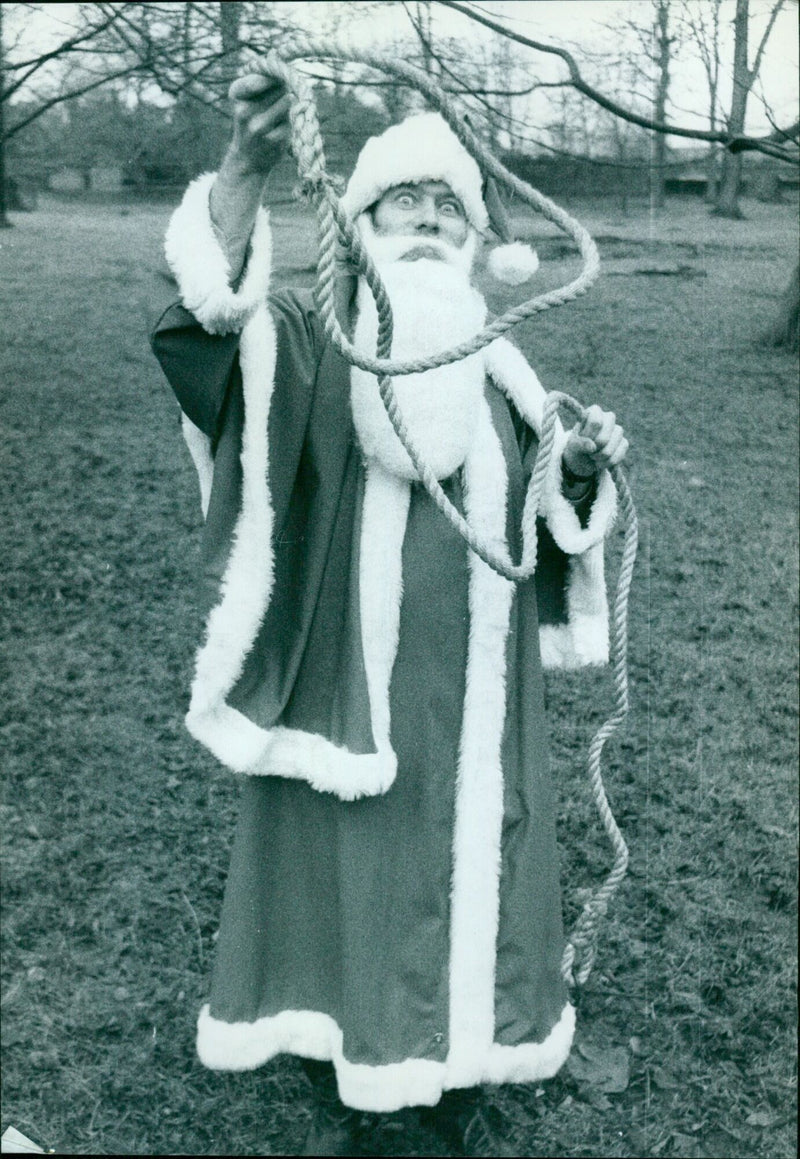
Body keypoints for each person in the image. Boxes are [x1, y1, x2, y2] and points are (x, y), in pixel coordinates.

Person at [152, 75, 629, 1157]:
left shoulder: (502, 368)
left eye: (445, 205)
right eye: (400, 202)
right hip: (352, 687)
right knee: (359, 870)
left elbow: (545, 519)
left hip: (481, 710)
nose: (424, 218)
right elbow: (200, 343)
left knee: (483, 862)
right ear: (357, 225)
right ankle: (365, 1072)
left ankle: (469, 1058)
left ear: (471, 237)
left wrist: (584, 473)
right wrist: (243, 170)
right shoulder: (311, 342)